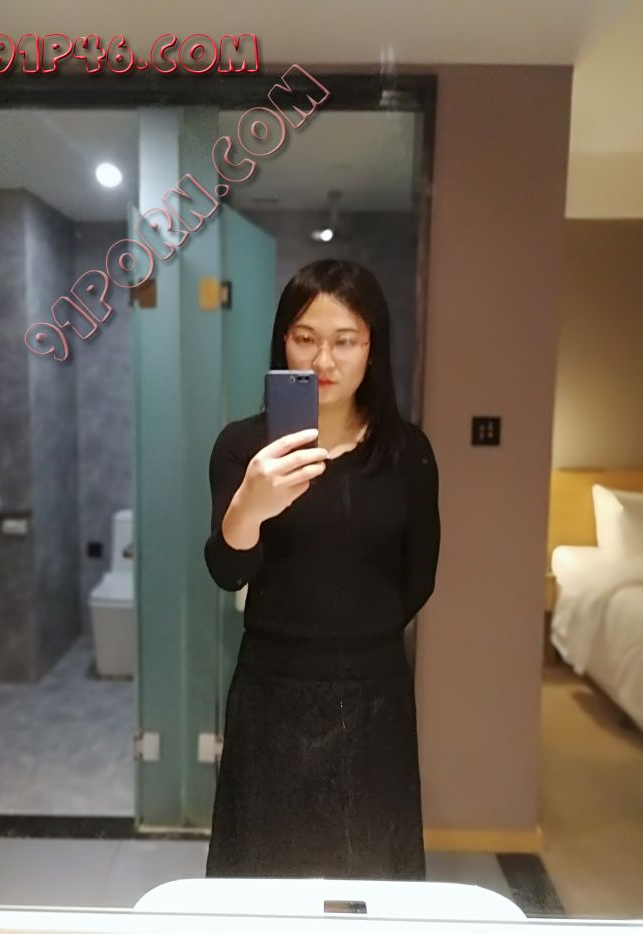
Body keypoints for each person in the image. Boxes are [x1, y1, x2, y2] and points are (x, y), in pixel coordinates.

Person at [203, 258, 441, 880]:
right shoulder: (244, 447)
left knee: (374, 877)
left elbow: (419, 575)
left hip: (375, 693)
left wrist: (355, 633)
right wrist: (250, 505)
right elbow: (227, 571)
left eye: (346, 341)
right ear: (283, 341)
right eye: (305, 338)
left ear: (373, 347)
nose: (323, 360)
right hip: (272, 690)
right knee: (263, 876)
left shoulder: (406, 452)